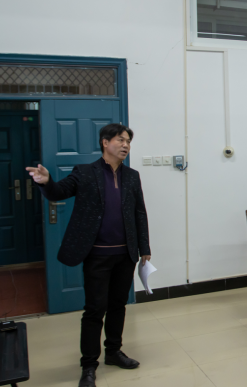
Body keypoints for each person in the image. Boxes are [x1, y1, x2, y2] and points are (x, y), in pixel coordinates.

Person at [27, 124, 150, 387]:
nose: (126, 145)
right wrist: (46, 181)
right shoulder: (84, 172)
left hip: (125, 254)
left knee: (118, 306)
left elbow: (140, 212)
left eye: (128, 141)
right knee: (95, 310)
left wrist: (145, 249)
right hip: (97, 256)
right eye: (120, 140)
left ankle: (114, 351)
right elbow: (59, 192)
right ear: (105, 142)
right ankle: (89, 365)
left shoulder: (132, 176)